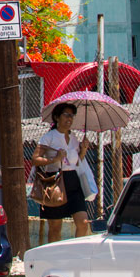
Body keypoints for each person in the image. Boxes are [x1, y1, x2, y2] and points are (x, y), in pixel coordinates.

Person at [32, 102, 91, 244]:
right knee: (55, 227)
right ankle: (54, 257)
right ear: (57, 117)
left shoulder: (74, 138)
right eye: (66, 115)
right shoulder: (49, 137)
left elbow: (76, 162)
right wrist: (54, 159)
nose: (69, 119)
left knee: (83, 222)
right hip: (56, 182)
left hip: (73, 183)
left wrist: (83, 150)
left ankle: (78, 255)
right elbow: (35, 159)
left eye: (72, 115)